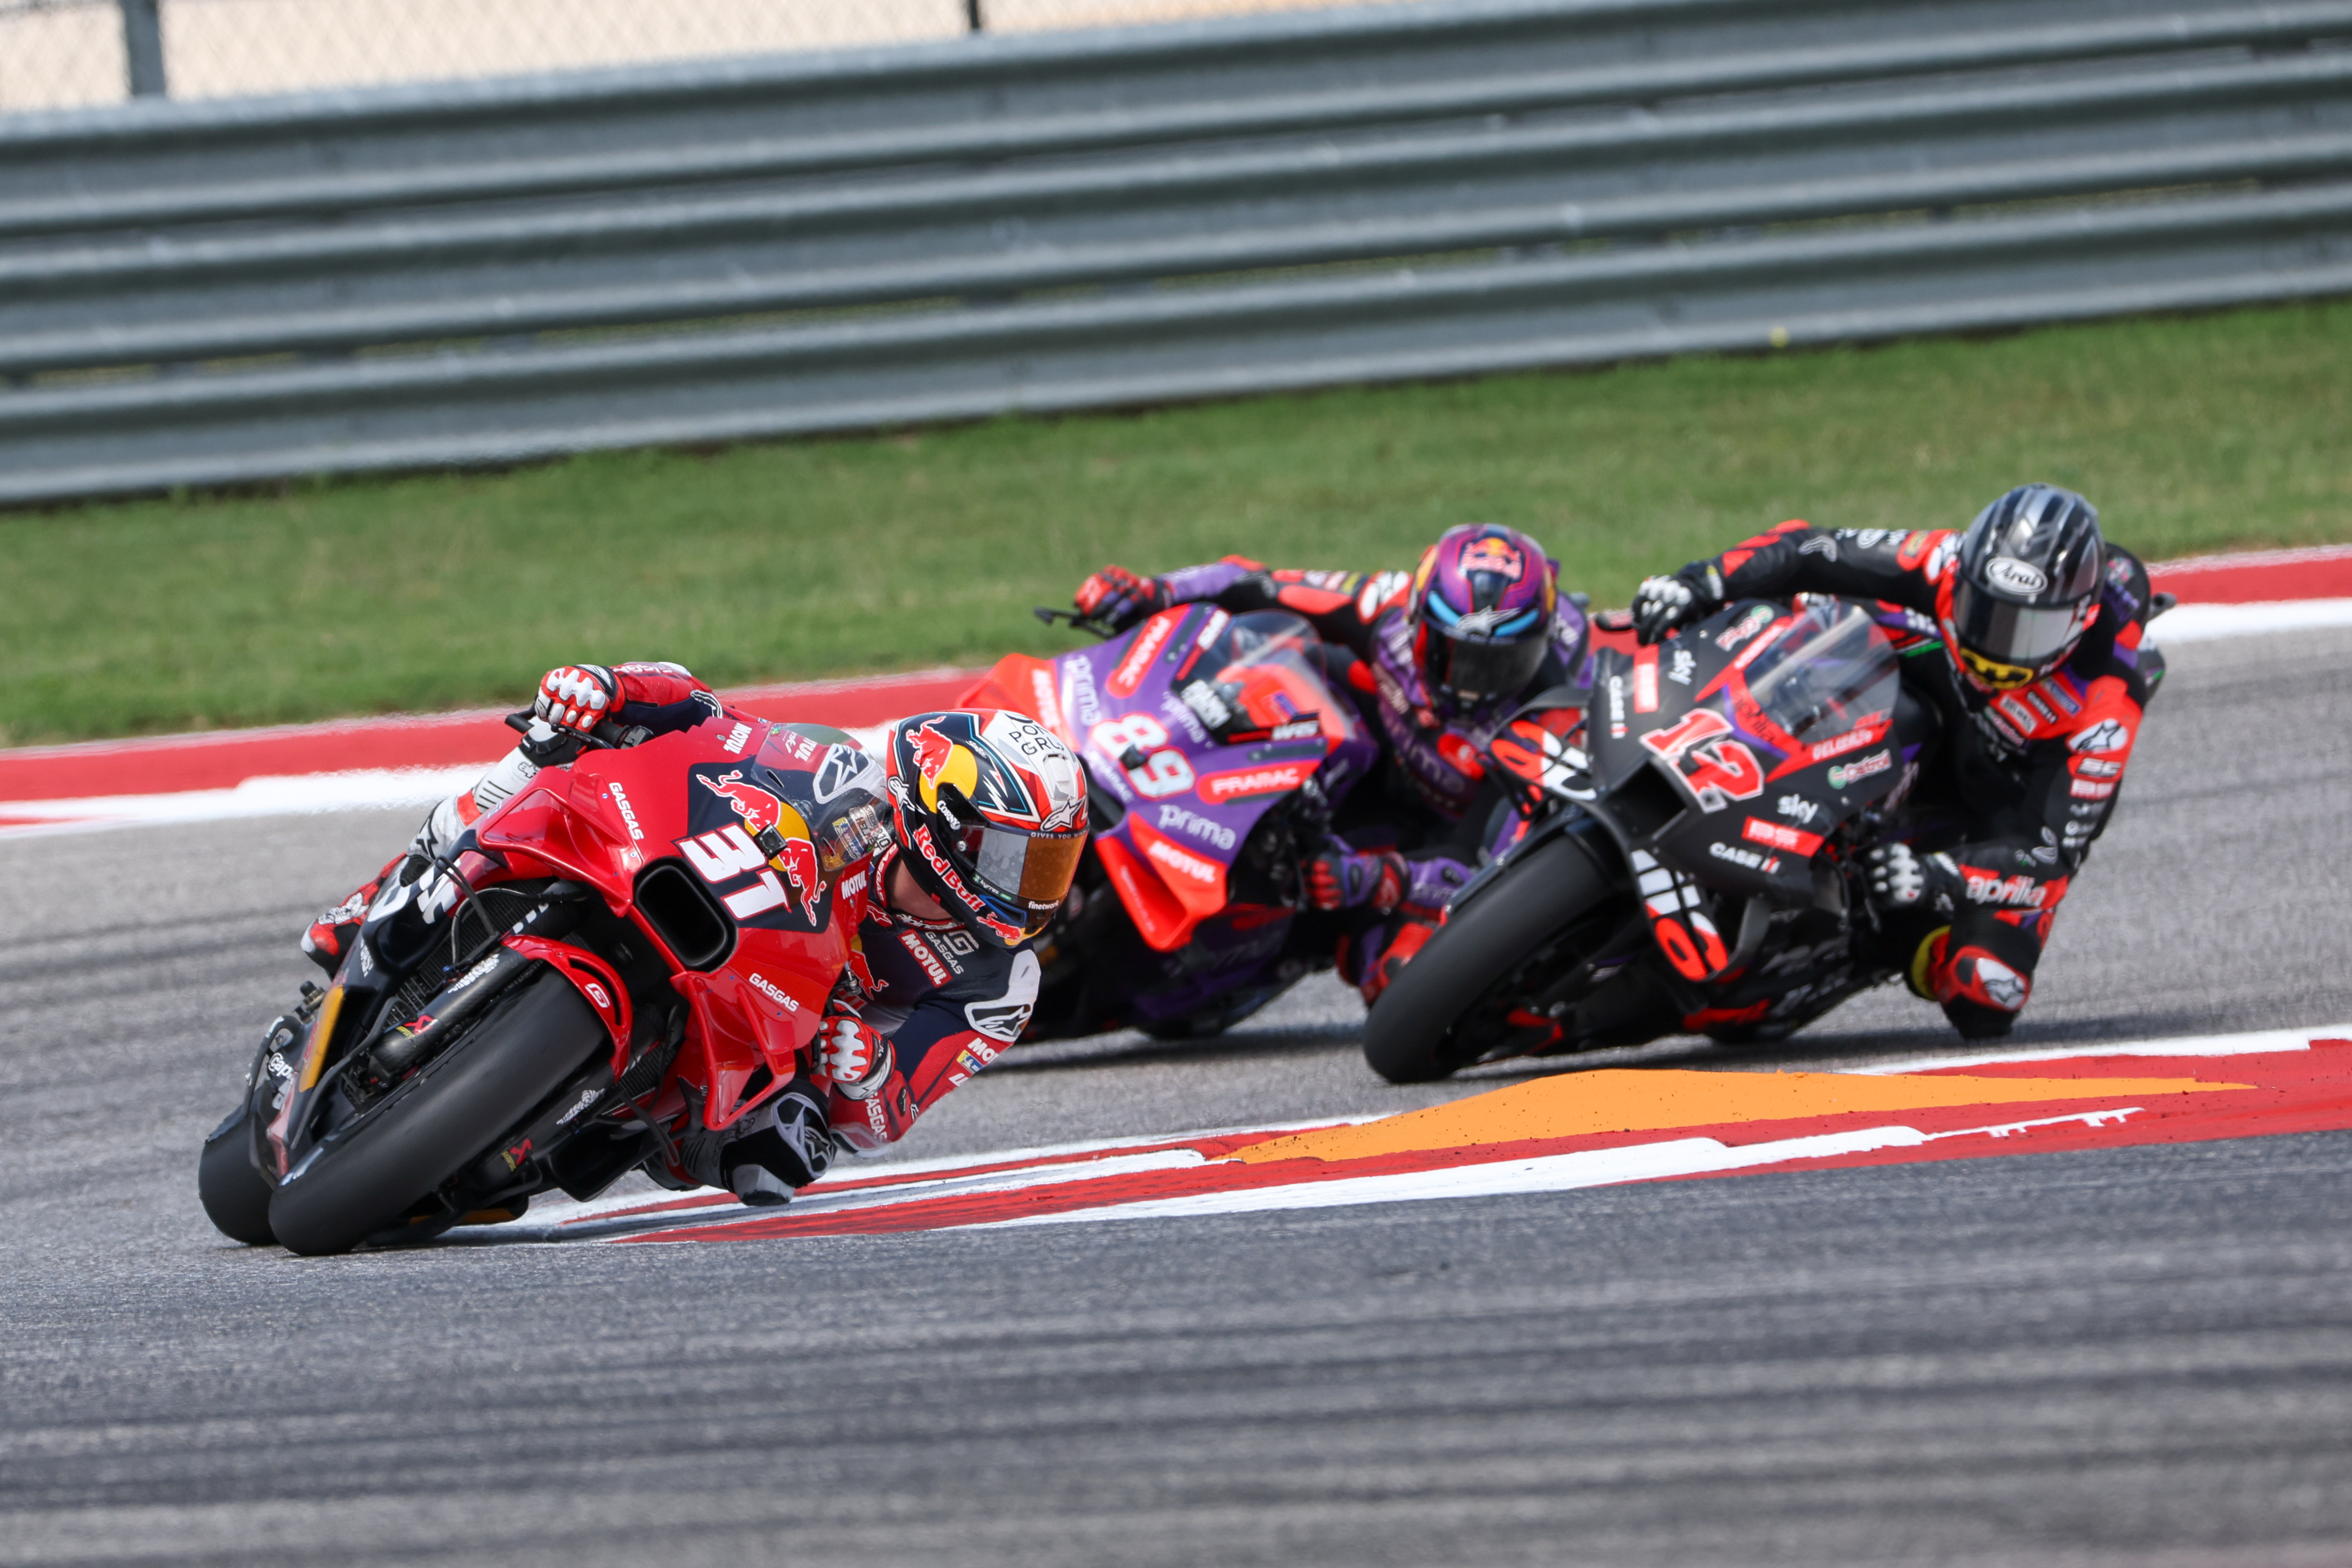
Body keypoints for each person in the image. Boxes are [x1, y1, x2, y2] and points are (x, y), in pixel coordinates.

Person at [300, 662, 1088, 1205]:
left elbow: (890, 1115)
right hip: (706, 905)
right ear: (942, 817)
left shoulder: (1001, 982)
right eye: (1016, 856)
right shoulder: (842, 773)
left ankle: (550, 1143)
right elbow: (712, 719)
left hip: (780, 1046)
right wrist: (613, 692)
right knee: (556, 758)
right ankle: (402, 888)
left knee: (781, 1158)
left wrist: (867, 1072)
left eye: (1049, 864)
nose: (1030, 885)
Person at [1628, 484, 2162, 1039]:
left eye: (2028, 629)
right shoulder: (1943, 561)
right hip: (1930, 676)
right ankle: (1702, 737)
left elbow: (2048, 858)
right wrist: (1701, 579)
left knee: (1984, 991)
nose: (1997, 644)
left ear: (2079, 619)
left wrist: (1936, 875)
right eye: (1985, 610)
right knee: (1799, 609)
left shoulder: (2104, 708)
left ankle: (1871, 940)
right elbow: (1813, 548)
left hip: (2006, 786)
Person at [1073, 524, 1591, 1002]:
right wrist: (1153, 591)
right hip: (1355, 745)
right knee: (1264, 658)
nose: (1473, 682)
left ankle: (1282, 946)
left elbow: (1491, 861)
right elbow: (1255, 583)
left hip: (1426, 835)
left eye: (1501, 663)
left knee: (1400, 978)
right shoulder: (1383, 609)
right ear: (1418, 618)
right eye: (1455, 654)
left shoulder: (1547, 720)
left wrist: (1377, 876)